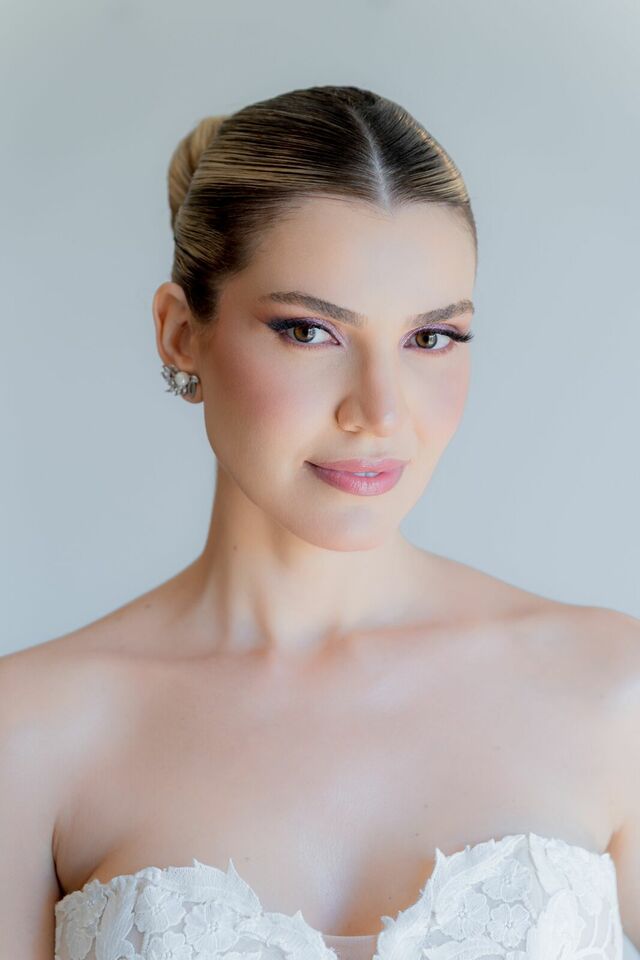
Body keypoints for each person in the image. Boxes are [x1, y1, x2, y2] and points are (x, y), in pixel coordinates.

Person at [1, 84, 638, 960]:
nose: (380, 411)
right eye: (309, 332)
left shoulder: (615, 691)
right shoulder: (29, 730)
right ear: (181, 332)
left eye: (431, 339)